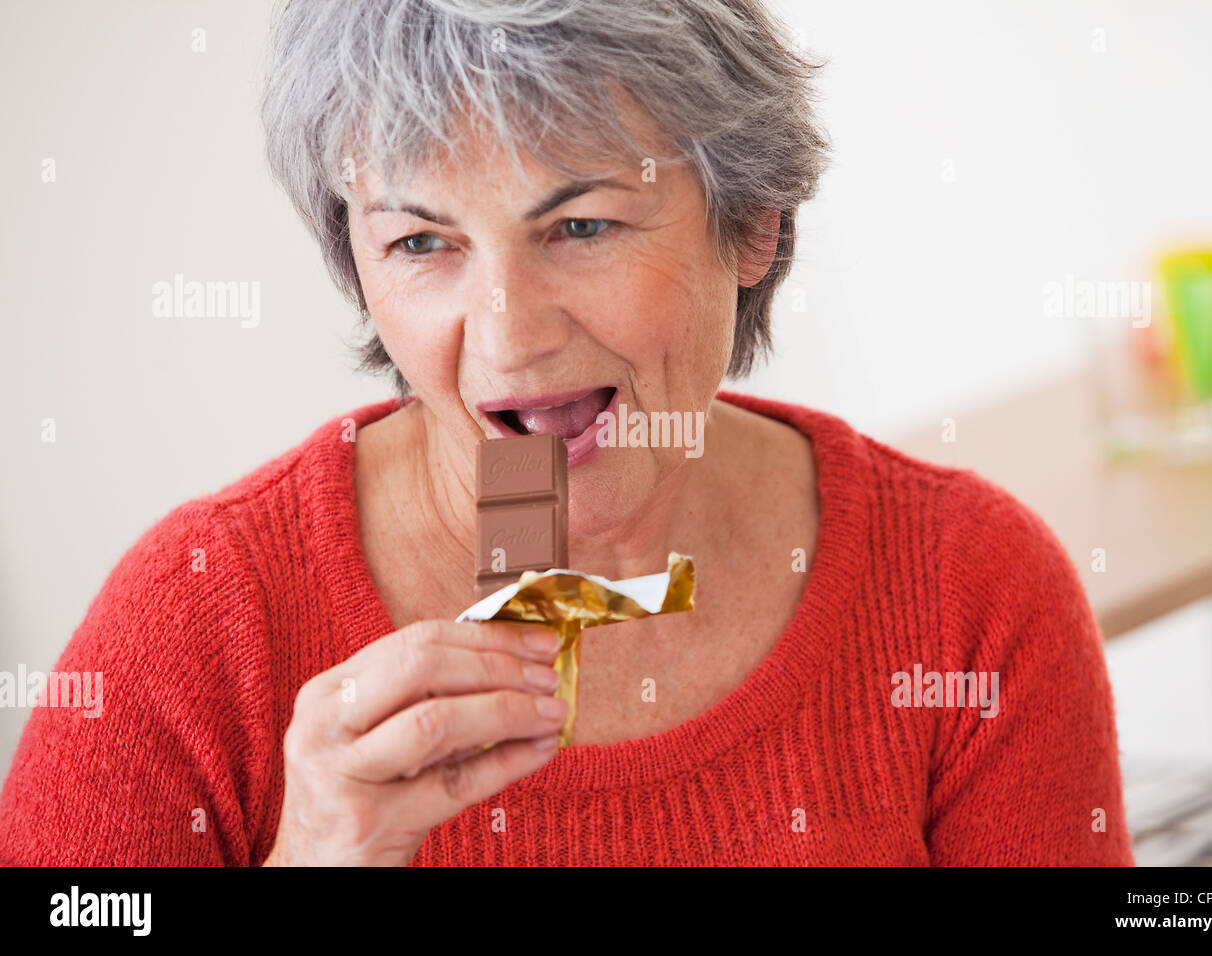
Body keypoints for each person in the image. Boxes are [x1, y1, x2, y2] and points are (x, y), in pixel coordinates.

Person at [0, 0, 1133, 866]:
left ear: (751, 226)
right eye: (419, 243)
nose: (506, 340)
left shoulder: (970, 595)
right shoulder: (198, 619)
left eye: (581, 224)